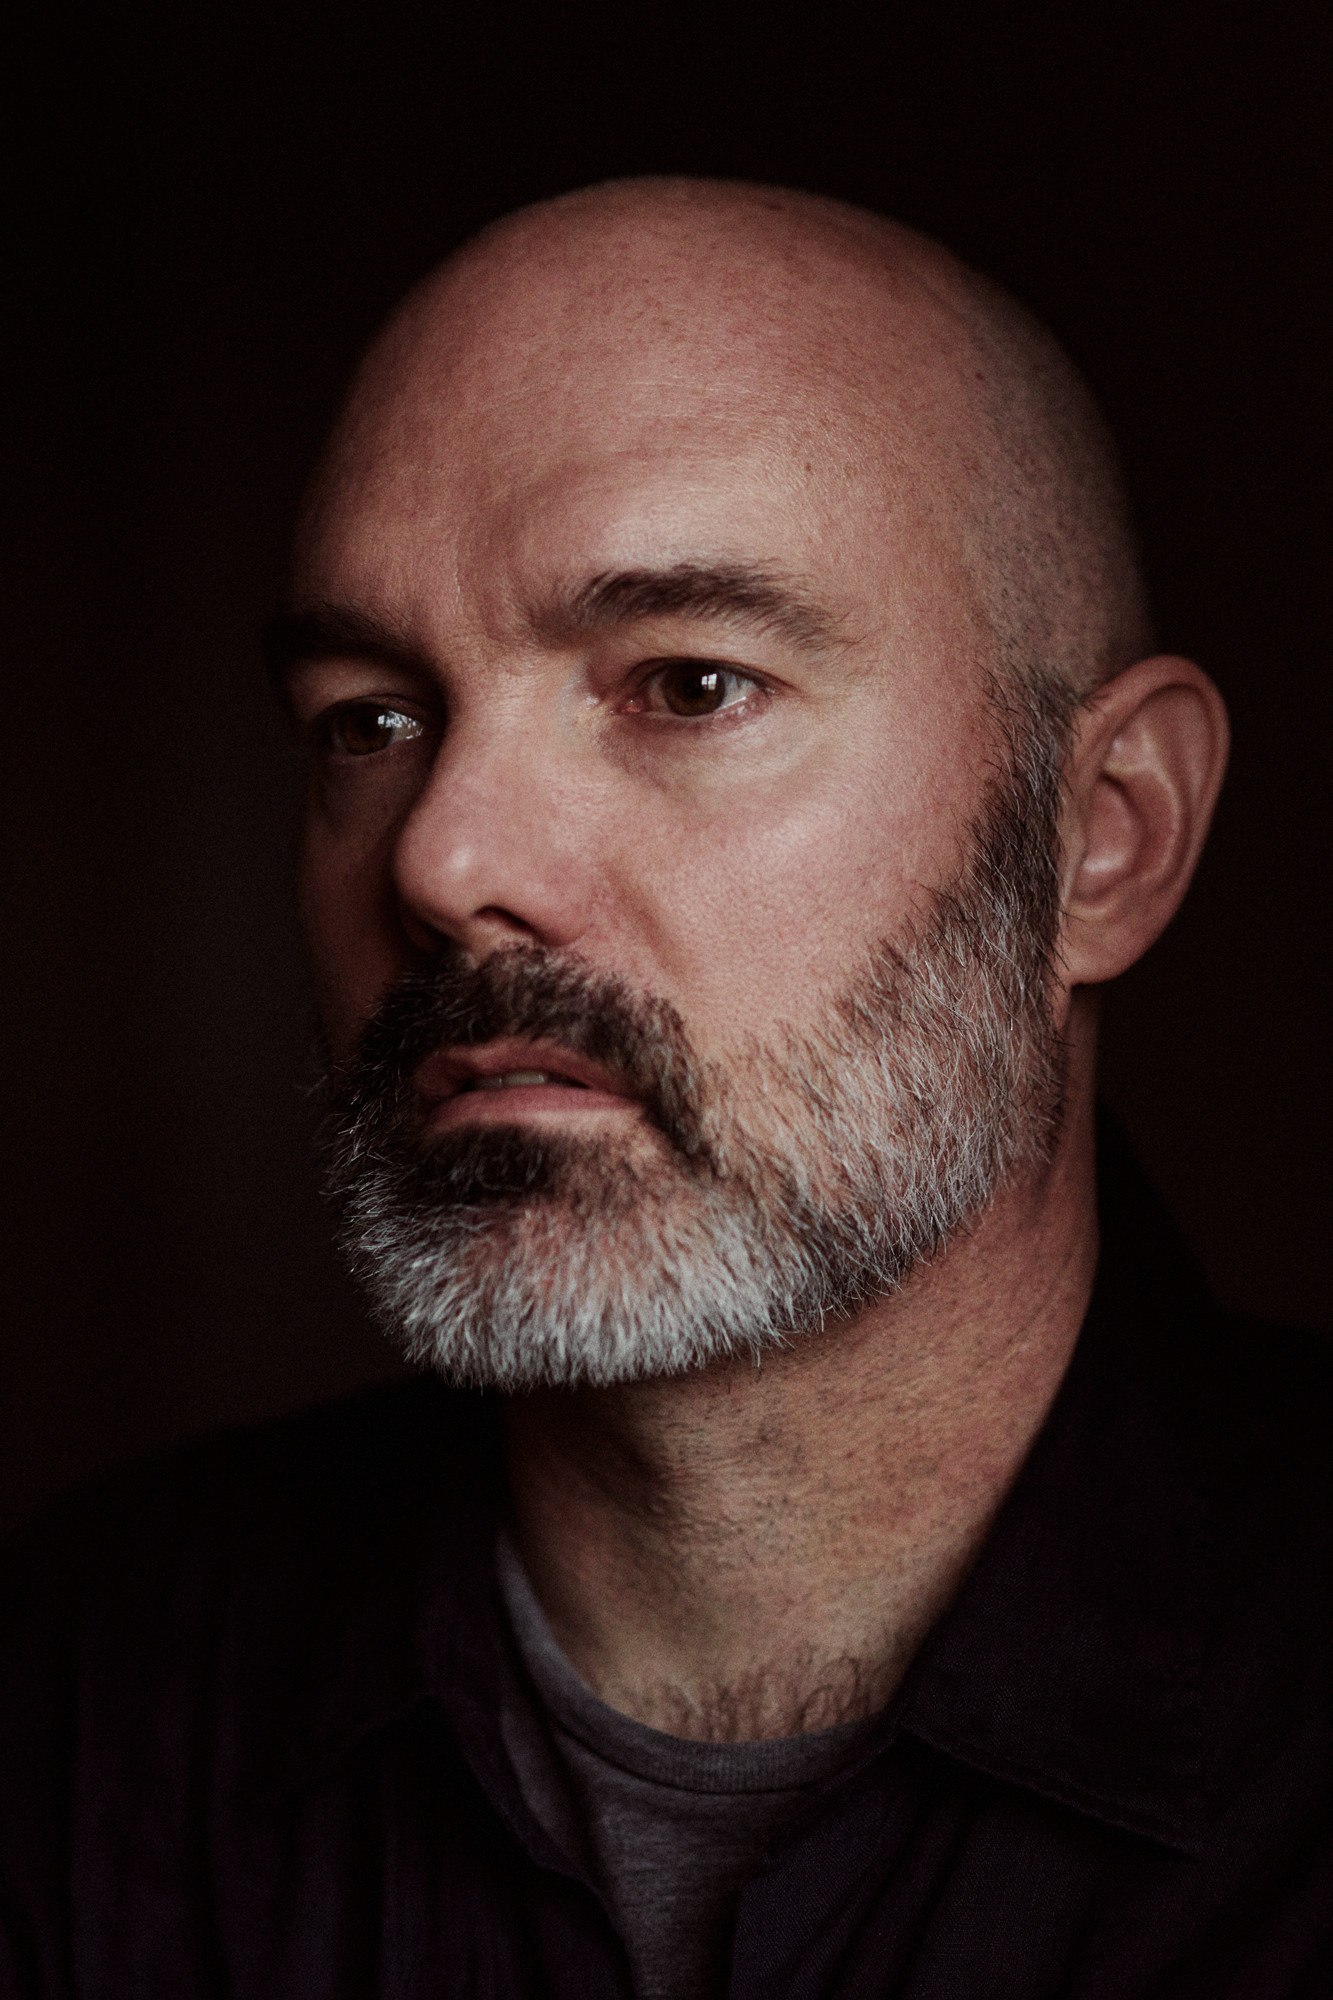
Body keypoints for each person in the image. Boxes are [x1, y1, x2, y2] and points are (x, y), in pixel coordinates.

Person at [3, 177, 1330, 2000]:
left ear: (1099, 842)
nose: (443, 855)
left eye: (686, 684)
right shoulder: (67, 1724)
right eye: (368, 722)